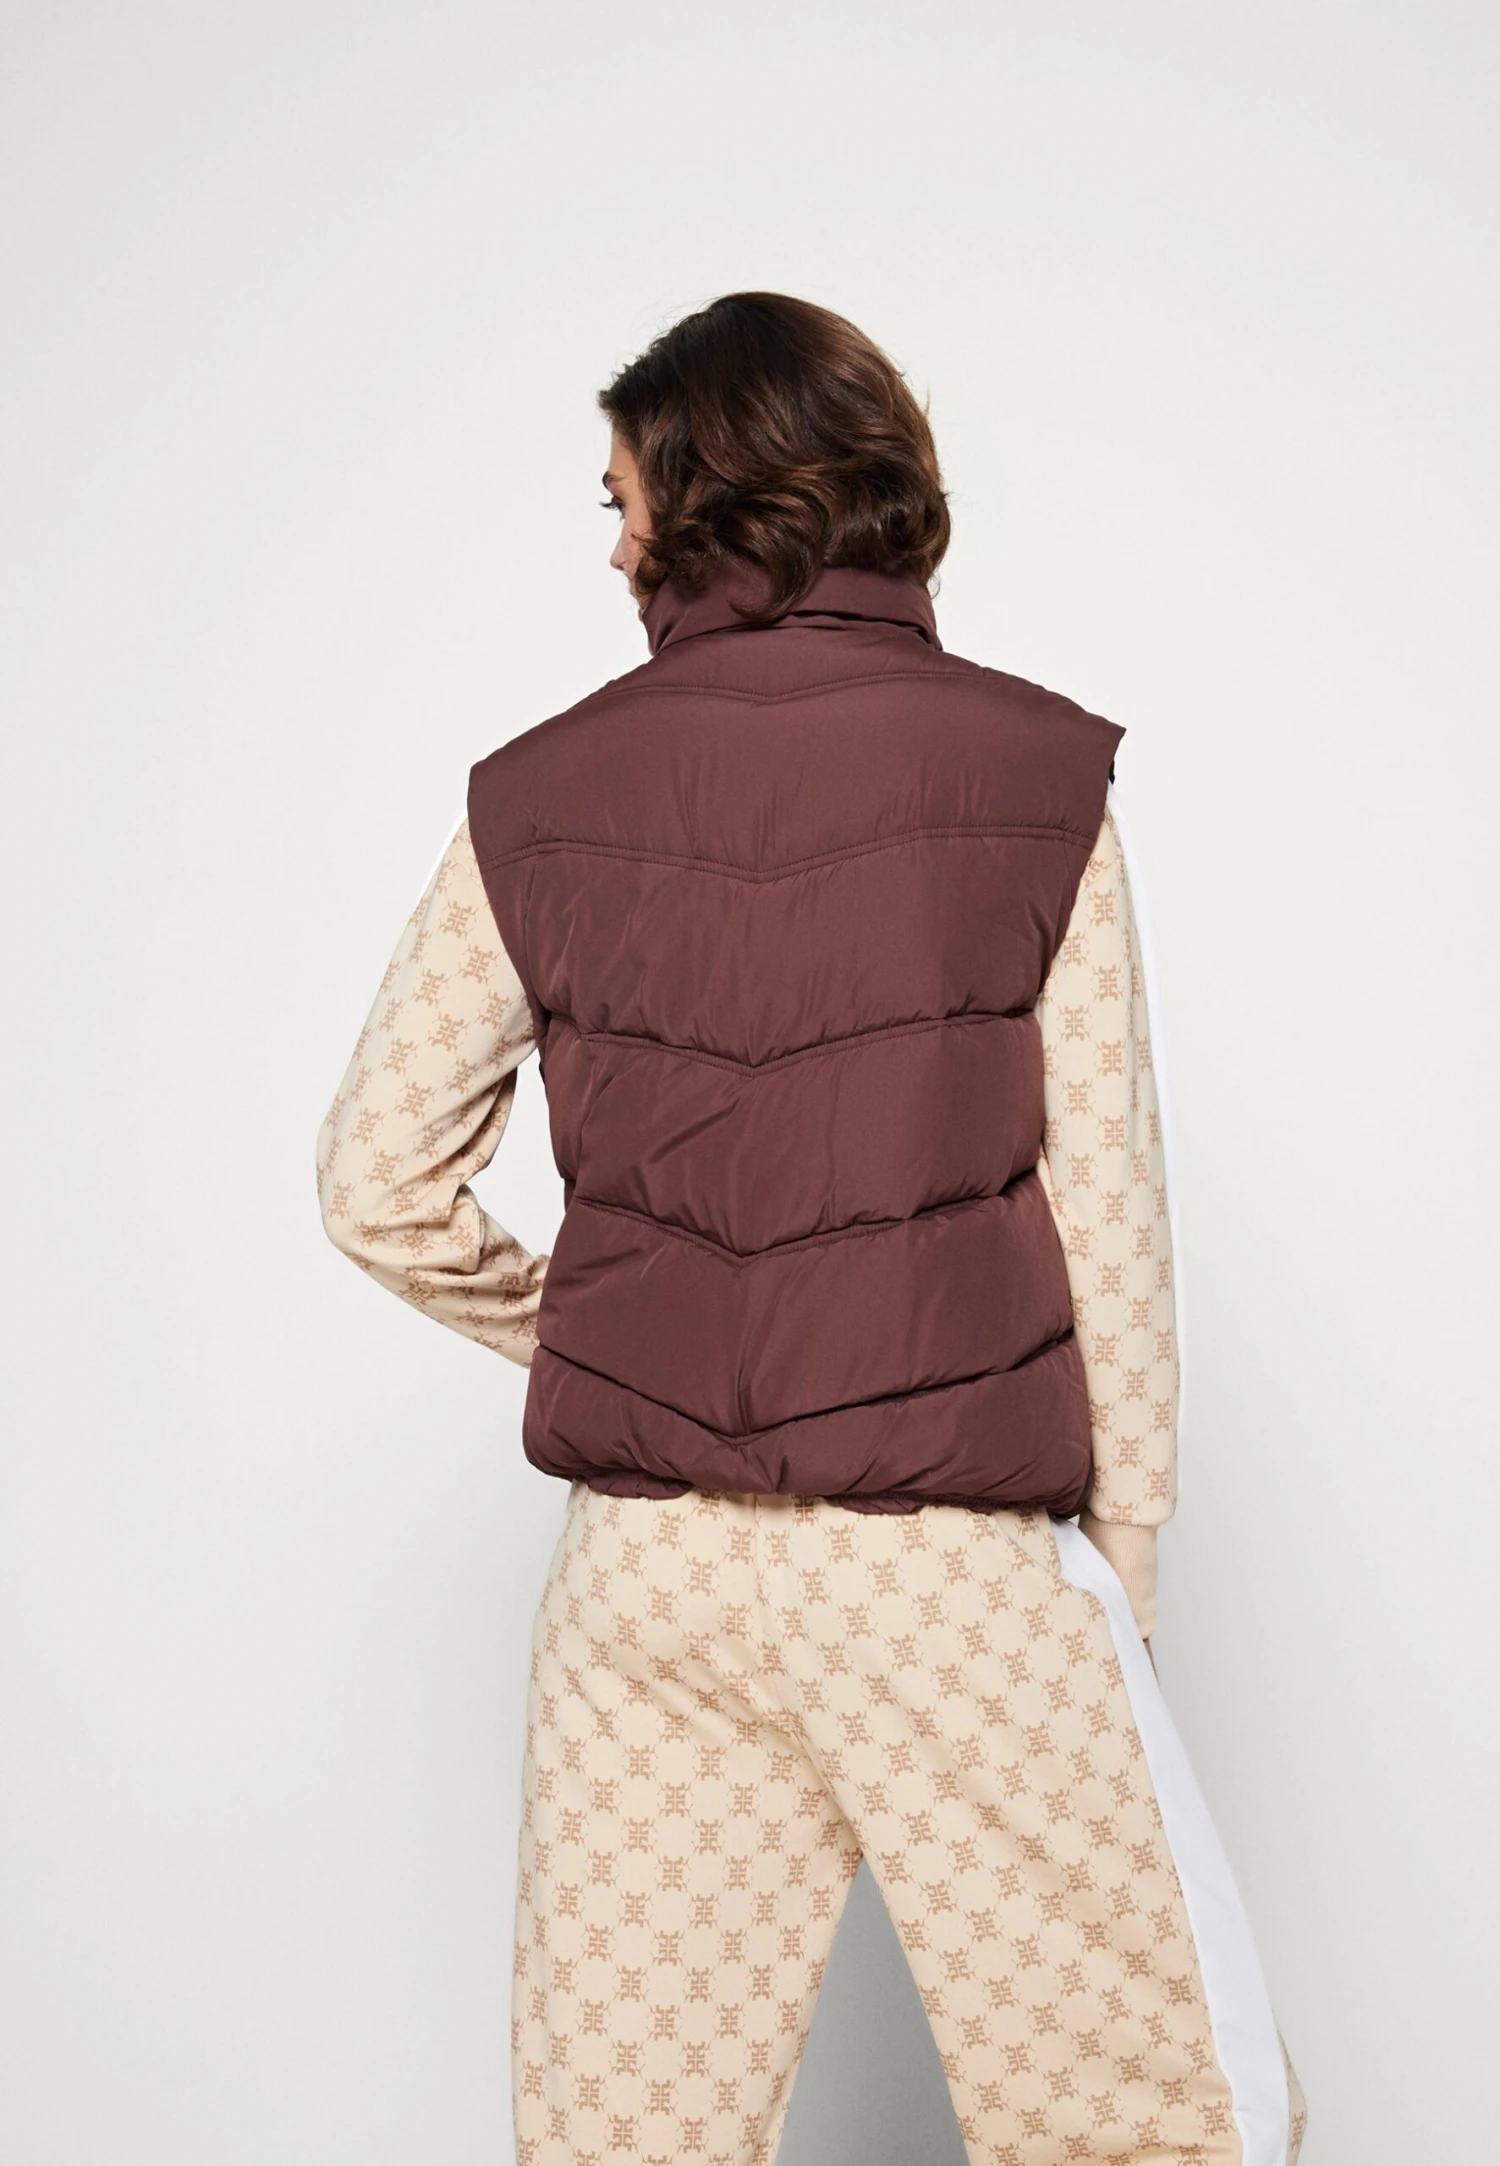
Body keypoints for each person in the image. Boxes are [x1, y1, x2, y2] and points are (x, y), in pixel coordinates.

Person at [316, 292, 1306, 2166]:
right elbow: (1108, 1206)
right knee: (1151, 2123)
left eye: (619, 498)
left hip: (646, 1578)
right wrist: (1125, 1560)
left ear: (713, 494)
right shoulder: (1036, 779)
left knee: (628, 2143)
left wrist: (607, 1332)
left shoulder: (535, 795)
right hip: (947, 1581)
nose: (610, 542)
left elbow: (374, 1177)